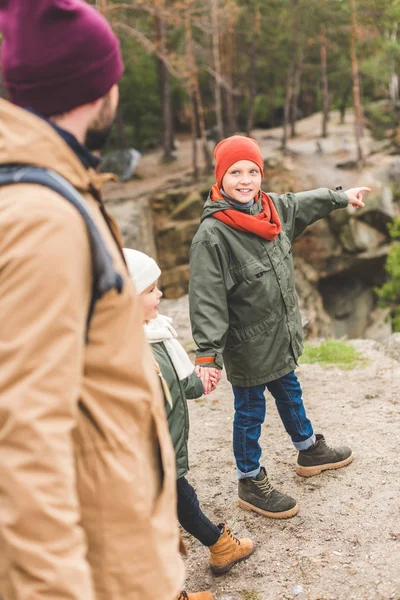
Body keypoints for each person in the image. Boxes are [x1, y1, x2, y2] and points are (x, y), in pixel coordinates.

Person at [0, 1, 184, 599]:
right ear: (94, 85)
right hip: (101, 567)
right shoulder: (42, 218)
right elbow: (22, 437)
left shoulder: (58, 185)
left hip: (115, 540)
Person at [189, 135, 370, 519]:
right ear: (220, 178)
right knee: (250, 411)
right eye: (235, 172)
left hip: (279, 336)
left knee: (291, 393)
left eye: (252, 171)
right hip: (247, 346)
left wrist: (343, 196)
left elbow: (305, 202)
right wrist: (207, 355)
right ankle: (250, 480)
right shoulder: (213, 236)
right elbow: (206, 298)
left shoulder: (272, 210)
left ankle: (309, 449)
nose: (245, 180)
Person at [123, 249, 255, 598]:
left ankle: (218, 546)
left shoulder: (154, 332)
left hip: (165, 450)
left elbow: (179, 383)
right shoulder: (122, 348)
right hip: (147, 458)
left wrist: (202, 382)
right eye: (151, 289)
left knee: (183, 503)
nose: (161, 294)